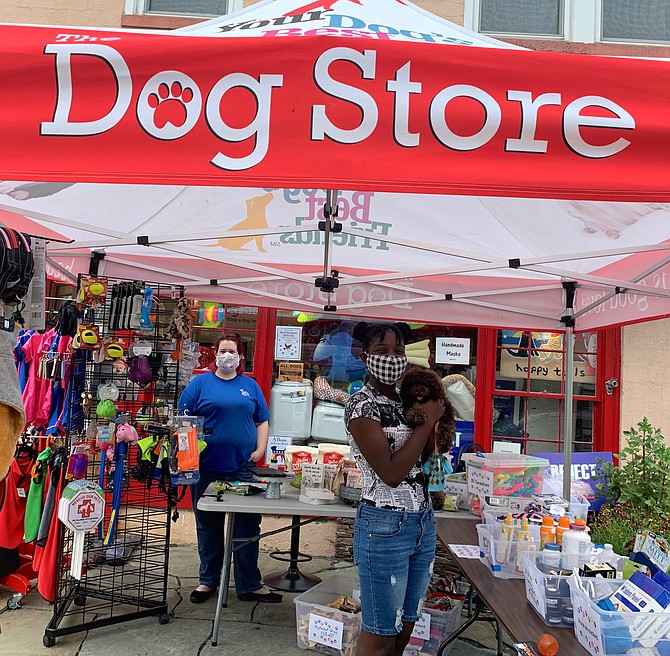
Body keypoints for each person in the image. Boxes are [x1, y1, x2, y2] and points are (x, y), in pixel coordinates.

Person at [344, 322, 444, 656]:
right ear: (365, 357)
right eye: (381, 351)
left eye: (398, 351)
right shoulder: (362, 406)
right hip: (383, 526)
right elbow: (390, 472)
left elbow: (422, 455)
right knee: (381, 637)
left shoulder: (408, 400)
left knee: (406, 627)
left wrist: (437, 427)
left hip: (422, 524)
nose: (392, 358)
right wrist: (428, 422)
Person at [178, 333, 282, 605]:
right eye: (222, 350)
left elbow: (262, 421)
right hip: (206, 468)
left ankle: (249, 584)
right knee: (208, 527)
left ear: (239, 356)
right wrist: (188, 457)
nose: (227, 356)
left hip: (242, 468)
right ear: (215, 355)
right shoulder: (199, 384)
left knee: (247, 526)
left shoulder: (250, 386)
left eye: (231, 351)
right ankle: (208, 581)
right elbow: (182, 422)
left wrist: (260, 451)